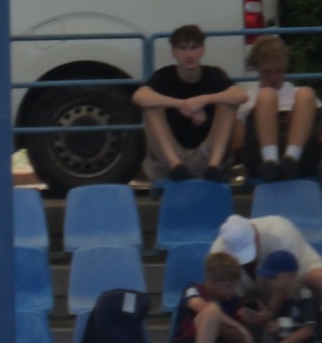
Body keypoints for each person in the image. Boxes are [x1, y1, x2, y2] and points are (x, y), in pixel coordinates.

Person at [134, 24, 244, 183]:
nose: (189, 54)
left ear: (202, 50)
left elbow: (241, 95)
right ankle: (176, 167)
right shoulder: (164, 76)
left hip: (207, 154)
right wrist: (181, 104)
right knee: (151, 105)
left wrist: (203, 100)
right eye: (182, 48)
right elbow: (139, 96)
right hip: (170, 157)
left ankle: (214, 168)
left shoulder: (213, 74)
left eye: (194, 47)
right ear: (174, 53)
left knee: (228, 103)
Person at [240, 36, 317, 183]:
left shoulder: (299, 95)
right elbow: (237, 142)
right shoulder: (247, 98)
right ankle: (271, 161)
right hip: (260, 161)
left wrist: (296, 124)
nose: (273, 77)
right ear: (257, 67)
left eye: (279, 71)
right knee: (267, 96)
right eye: (268, 72)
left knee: (307, 93)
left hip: (301, 161)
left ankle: (291, 158)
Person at [212, 209, 322, 298]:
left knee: (318, 278)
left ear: (256, 235)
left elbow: (288, 280)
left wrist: (272, 309)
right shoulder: (217, 252)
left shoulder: (279, 232)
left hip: (292, 283)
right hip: (250, 298)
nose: (246, 261)